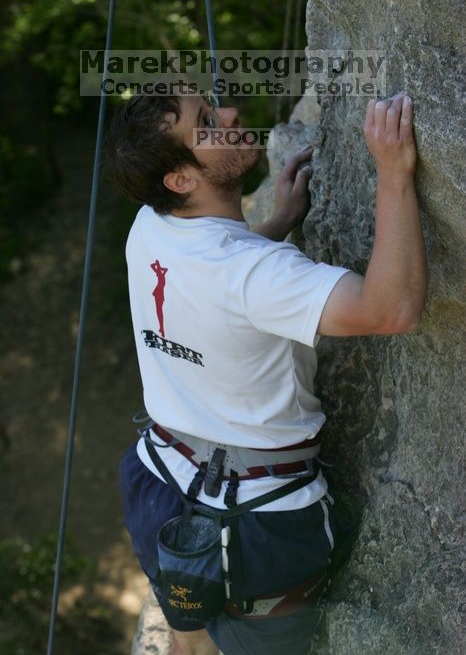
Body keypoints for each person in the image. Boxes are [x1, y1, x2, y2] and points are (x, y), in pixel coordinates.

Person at [107, 89, 426, 655]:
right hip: (261, 525)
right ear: (180, 178)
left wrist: (277, 221)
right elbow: (391, 310)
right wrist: (394, 173)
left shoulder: (148, 229)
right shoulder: (257, 273)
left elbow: (218, 293)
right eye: (206, 124)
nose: (230, 116)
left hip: (155, 487)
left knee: (191, 644)